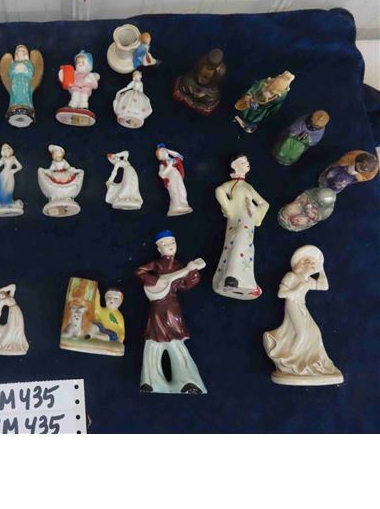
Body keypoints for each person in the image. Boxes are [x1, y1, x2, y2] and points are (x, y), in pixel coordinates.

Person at [135, 231, 206, 394]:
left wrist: (193, 274)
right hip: (156, 307)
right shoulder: (156, 264)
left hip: (172, 308)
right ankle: (150, 381)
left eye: (172, 242)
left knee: (176, 342)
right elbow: (139, 272)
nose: (170, 246)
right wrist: (157, 281)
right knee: (153, 342)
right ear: (159, 249)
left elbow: (183, 286)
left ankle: (187, 381)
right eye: (165, 244)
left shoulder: (180, 266)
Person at [263, 245, 343, 385]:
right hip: (292, 304)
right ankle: (289, 361)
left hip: (301, 305)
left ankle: (304, 362)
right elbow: (281, 294)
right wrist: (298, 288)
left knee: (315, 332)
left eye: (314, 266)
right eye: (311, 264)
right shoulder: (291, 276)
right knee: (301, 333)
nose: (313, 267)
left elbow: (324, 286)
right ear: (302, 263)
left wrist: (321, 270)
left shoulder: (308, 280)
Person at [212, 154, 269, 299]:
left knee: (247, 247)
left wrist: (255, 210)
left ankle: (245, 281)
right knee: (238, 241)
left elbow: (264, 203)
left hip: (248, 219)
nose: (247, 163)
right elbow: (219, 191)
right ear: (234, 166)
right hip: (237, 219)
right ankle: (231, 277)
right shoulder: (231, 185)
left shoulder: (248, 186)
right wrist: (228, 208)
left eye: (247, 161)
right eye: (243, 161)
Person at [0, 284, 29, 355]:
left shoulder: (10, 296)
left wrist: (0, 290)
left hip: (18, 312)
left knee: (20, 328)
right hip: (12, 313)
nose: (1, 294)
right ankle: (5, 345)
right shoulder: (2, 301)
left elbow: (13, 286)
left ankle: (18, 344)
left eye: (1, 293)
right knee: (11, 328)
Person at [155, 144, 192, 215]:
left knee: (182, 190)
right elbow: (161, 174)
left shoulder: (173, 160)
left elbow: (180, 157)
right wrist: (169, 166)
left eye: (164, 151)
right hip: (171, 179)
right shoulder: (162, 164)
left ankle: (183, 204)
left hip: (177, 177)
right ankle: (176, 207)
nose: (164, 152)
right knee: (174, 192)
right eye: (161, 152)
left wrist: (168, 150)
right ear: (159, 157)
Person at [0, 143, 23, 215]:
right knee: (1, 188)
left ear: (10, 150)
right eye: (5, 150)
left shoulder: (13, 158)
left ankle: (8, 203)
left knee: (9, 189)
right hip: (3, 175)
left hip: (10, 175)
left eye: (8, 149)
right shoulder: (3, 158)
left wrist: (13, 170)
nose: (7, 150)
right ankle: (0, 204)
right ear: (3, 152)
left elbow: (20, 166)